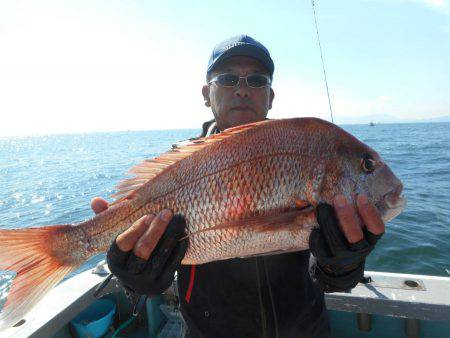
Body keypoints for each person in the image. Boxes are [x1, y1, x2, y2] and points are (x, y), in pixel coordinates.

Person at [91, 35, 385, 338]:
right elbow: (158, 269)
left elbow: (327, 278)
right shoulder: (176, 170)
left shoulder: (305, 154)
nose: (243, 89)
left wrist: (342, 265)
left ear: (271, 96)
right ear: (207, 94)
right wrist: (135, 278)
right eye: (228, 78)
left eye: (257, 80)